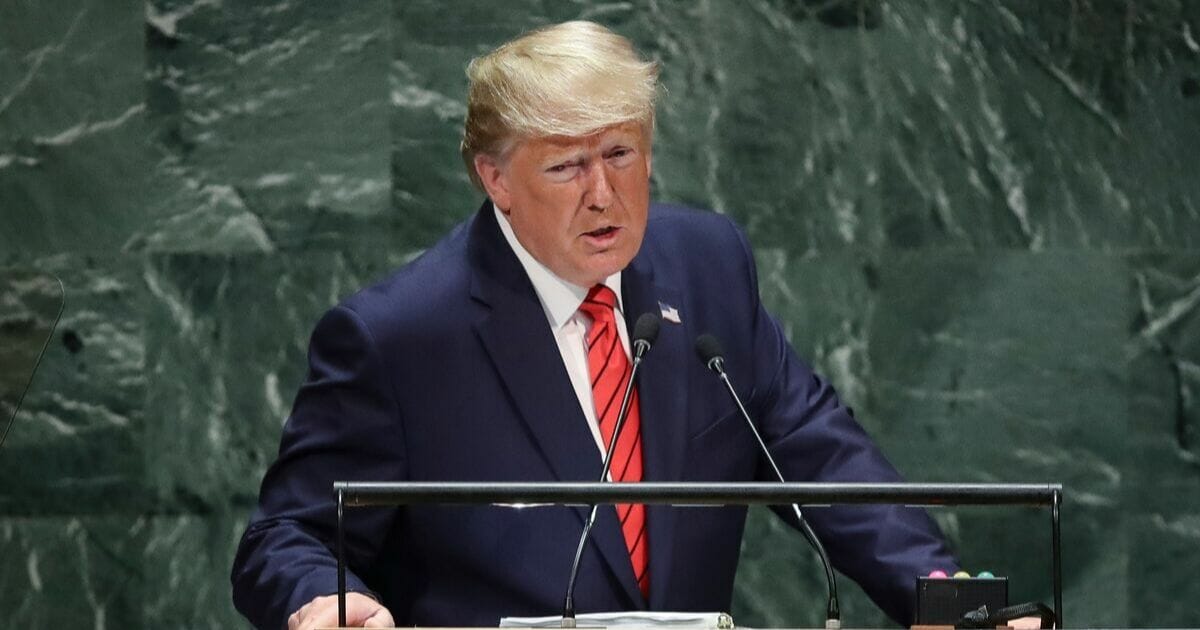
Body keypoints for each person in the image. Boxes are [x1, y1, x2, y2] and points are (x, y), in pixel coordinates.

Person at [231, 20, 958, 630]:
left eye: (619, 154)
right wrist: (324, 597)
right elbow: (287, 536)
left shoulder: (707, 268)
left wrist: (949, 602)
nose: (603, 194)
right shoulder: (400, 337)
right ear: (496, 179)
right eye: (567, 167)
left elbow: (817, 455)